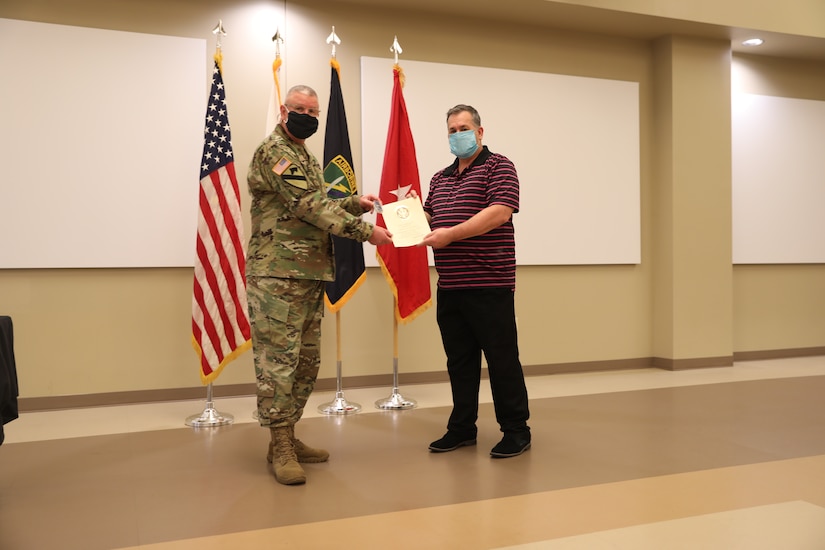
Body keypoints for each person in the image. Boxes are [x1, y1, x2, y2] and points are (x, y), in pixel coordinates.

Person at [246, 85, 393, 485]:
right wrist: (367, 232)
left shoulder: (304, 157)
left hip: (309, 274)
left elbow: (317, 205)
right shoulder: (274, 153)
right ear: (283, 110)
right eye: (300, 109)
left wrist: (354, 205)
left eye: (313, 111)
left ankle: (289, 434)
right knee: (278, 363)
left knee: (306, 362)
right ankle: (279, 444)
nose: (307, 116)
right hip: (277, 276)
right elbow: (308, 207)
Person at [421, 104, 531, 458]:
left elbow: (499, 212)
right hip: (450, 286)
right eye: (452, 130)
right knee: (459, 361)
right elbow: (427, 215)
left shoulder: (499, 167)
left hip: (489, 283)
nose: (458, 135)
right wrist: (403, 215)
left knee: (502, 360)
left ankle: (516, 430)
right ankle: (462, 428)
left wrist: (450, 235)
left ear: (480, 132)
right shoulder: (439, 178)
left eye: (464, 128)